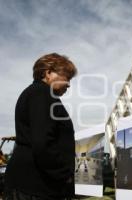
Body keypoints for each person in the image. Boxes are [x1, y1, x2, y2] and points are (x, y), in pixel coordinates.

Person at [3, 53, 77, 200]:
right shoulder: (41, 94)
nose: (68, 84)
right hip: (36, 188)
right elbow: (43, 143)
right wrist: (64, 175)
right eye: (66, 77)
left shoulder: (38, 94)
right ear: (48, 73)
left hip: (33, 186)